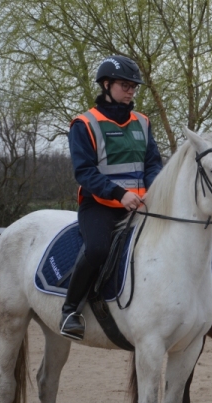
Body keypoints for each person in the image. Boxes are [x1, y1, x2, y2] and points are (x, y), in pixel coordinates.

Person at [61, 55, 163, 340]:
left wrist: (154, 189)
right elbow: (84, 172)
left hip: (141, 205)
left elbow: (152, 163)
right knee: (97, 249)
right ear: (106, 85)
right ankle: (70, 309)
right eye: (124, 85)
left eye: (134, 86)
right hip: (101, 205)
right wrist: (119, 194)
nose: (130, 90)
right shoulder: (84, 124)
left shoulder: (142, 122)